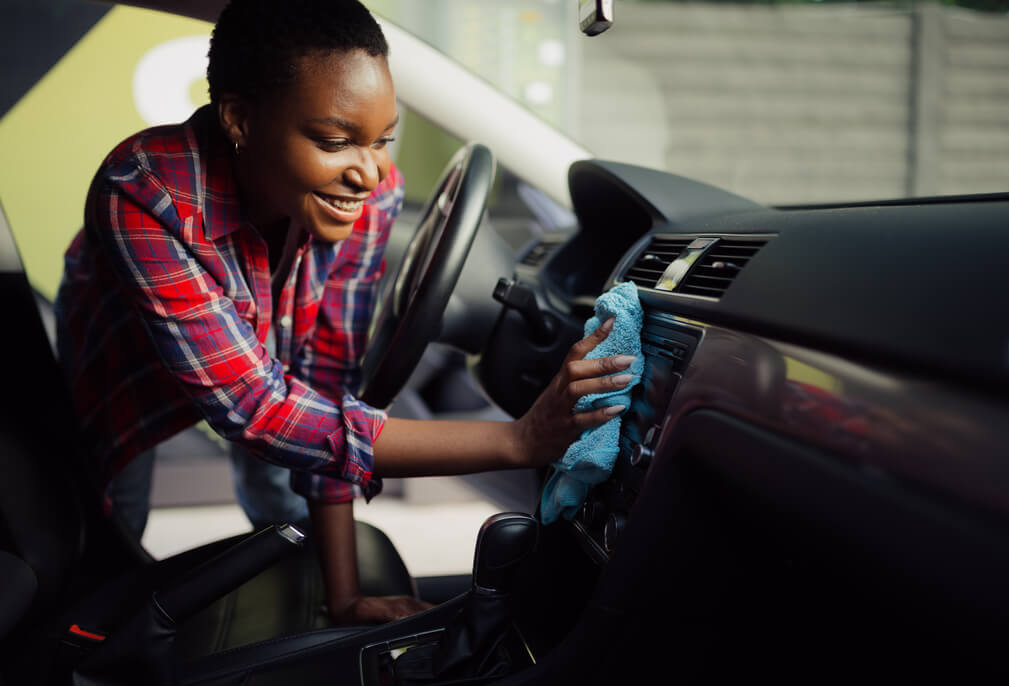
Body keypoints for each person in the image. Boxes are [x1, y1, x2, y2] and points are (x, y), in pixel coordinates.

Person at [54, 0, 634, 626]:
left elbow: (325, 383)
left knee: (281, 494)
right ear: (240, 119)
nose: (371, 171)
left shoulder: (369, 191)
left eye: (383, 139)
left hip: (266, 381)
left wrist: (346, 596)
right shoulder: (145, 192)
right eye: (336, 141)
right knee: (111, 534)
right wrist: (522, 439)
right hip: (128, 374)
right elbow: (258, 410)